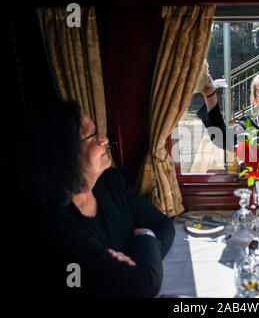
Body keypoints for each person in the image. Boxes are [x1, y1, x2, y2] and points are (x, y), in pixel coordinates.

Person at [13, 101, 175, 297]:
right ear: (65, 155)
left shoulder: (109, 180)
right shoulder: (54, 224)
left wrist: (136, 262)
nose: (104, 140)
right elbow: (142, 286)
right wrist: (145, 238)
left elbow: (162, 224)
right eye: (92, 135)